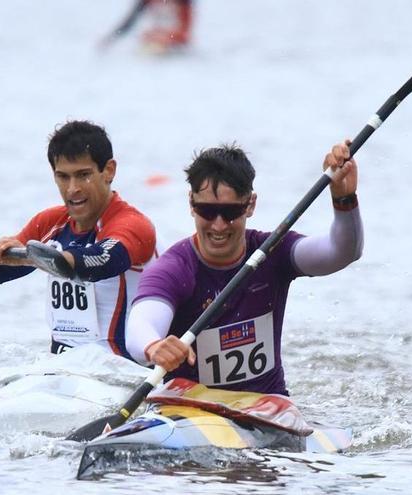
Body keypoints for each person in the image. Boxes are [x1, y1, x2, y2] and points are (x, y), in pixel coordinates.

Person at [126, 141, 363, 396]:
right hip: (191, 409)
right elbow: (140, 325)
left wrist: (343, 198)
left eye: (230, 212)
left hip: (266, 407)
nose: (218, 226)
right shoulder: (174, 269)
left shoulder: (272, 252)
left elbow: (341, 252)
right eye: (206, 211)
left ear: (250, 205)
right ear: (191, 204)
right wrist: (153, 346)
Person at [0, 121, 157, 358]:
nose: (72, 189)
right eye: (63, 176)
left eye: (83, 175)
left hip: (123, 371)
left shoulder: (133, 225)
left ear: (109, 171)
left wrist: (38, 257)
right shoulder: (50, 223)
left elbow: (103, 261)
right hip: (65, 367)